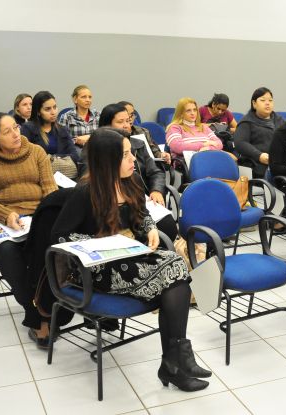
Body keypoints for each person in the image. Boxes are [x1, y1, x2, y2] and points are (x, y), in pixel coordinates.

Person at [50, 128, 211, 392]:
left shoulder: (131, 181)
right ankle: (176, 361)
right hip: (95, 267)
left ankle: (175, 362)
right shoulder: (85, 192)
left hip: (128, 257)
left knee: (175, 274)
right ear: (107, 160)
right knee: (173, 268)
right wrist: (99, 243)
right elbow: (59, 236)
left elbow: (143, 212)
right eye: (125, 155)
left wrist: (149, 228)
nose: (132, 160)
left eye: (130, 153)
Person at [0, 113, 58, 347]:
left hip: (37, 216)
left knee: (50, 248)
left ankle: (49, 304)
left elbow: (50, 189)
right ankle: (34, 312)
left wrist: (45, 216)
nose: (16, 133)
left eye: (16, 127)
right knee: (9, 252)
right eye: (7, 132)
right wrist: (5, 215)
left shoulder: (36, 152)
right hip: (3, 220)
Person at [93, 103, 178, 241]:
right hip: (113, 205)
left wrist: (156, 190)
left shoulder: (138, 143)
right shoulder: (95, 151)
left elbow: (155, 171)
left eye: (128, 120)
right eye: (121, 122)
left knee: (168, 226)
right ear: (106, 126)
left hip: (142, 199)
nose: (127, 125)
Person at [21, 91, 80, 178]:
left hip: (65, 175)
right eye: (47, 109)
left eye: (55, 107)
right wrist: (62, 158)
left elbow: (74, 156)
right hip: (40, 176)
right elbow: (26, 158)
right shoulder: (28, 129)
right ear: (38, 112)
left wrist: (52, 158)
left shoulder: (62, 129)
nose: (53, 112)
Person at [233, 87, 284, 178]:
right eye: (263, 100)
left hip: (279, 163)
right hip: (255, 165)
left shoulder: (279, 120)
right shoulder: (247, 122)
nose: (267, 103)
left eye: (270, 100)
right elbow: (240, 143)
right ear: (254, 104)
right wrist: (259, 155)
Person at [166, 97, 223, 165]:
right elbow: (178, 147)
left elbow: (219, 143)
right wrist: (203, 144)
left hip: (209, 160)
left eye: (195, 110)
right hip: (187, 165)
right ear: (181, 113)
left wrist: (207, 148)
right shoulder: (174, 128)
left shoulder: (203, 127)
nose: (192, 113)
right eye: (188, 110)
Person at [120, 100, 171, 164]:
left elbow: (154, 151)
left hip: (147, 168)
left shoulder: (143, 131)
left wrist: (161, 155)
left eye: (132, 114)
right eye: (127, 114)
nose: (130, 118)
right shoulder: (114, 135)